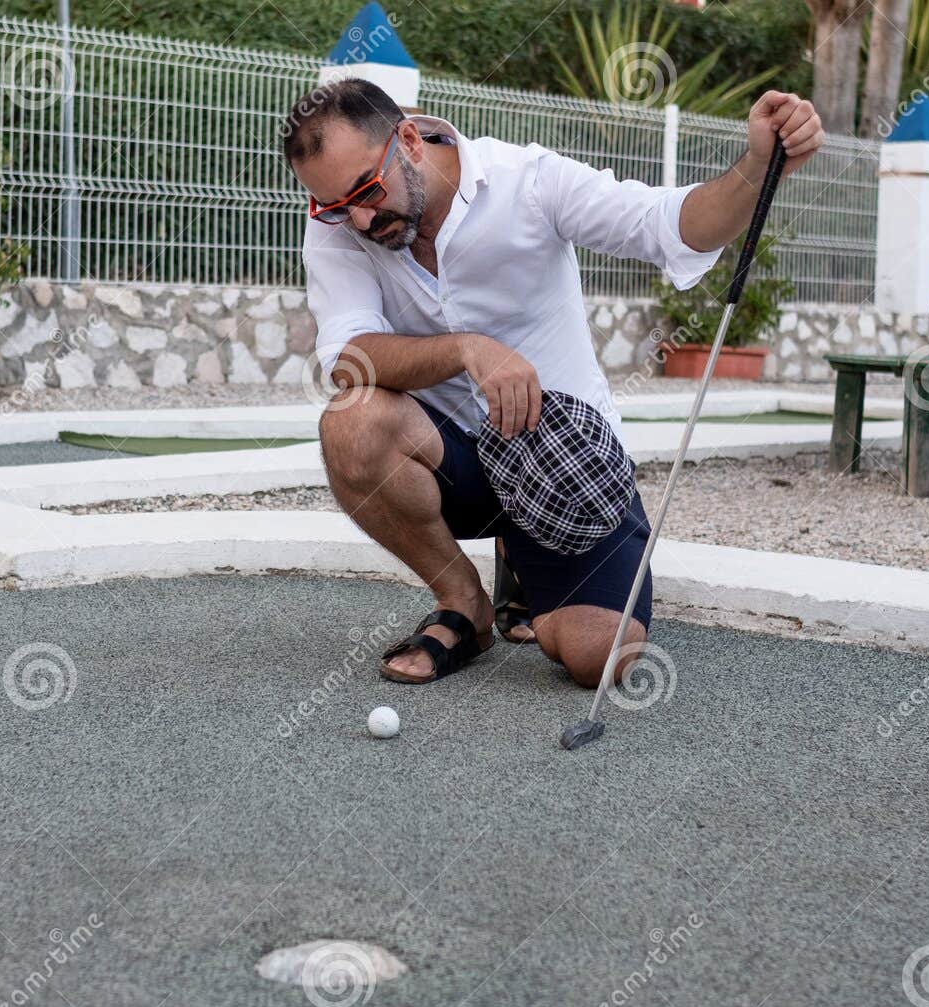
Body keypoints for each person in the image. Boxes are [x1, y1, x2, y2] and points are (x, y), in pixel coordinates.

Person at [283, 79, 823, 687]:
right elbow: (350, 358)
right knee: (351, 421)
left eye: (366, 191)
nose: (356, 217)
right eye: (332, 206)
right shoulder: (341, 226)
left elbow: (671, 224)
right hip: (453, 463)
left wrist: (756, 165)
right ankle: (465, 604)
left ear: (408, 140)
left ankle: (527, 560)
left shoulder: (530, 180)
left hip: (561, 463)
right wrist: (468, 349)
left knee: (599, 659)